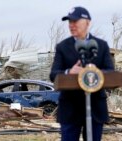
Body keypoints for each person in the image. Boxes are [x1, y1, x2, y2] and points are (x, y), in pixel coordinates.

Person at [49, 6, 114, 141]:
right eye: (69, 22)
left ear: (87, 22)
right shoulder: (62, 47)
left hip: (95, 106)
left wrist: (94, 72)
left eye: (75, 21)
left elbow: (110, 71)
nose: (71, 25)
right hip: (70, 108)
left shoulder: (101, 45)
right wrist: (69, 72)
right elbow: (53, 74)